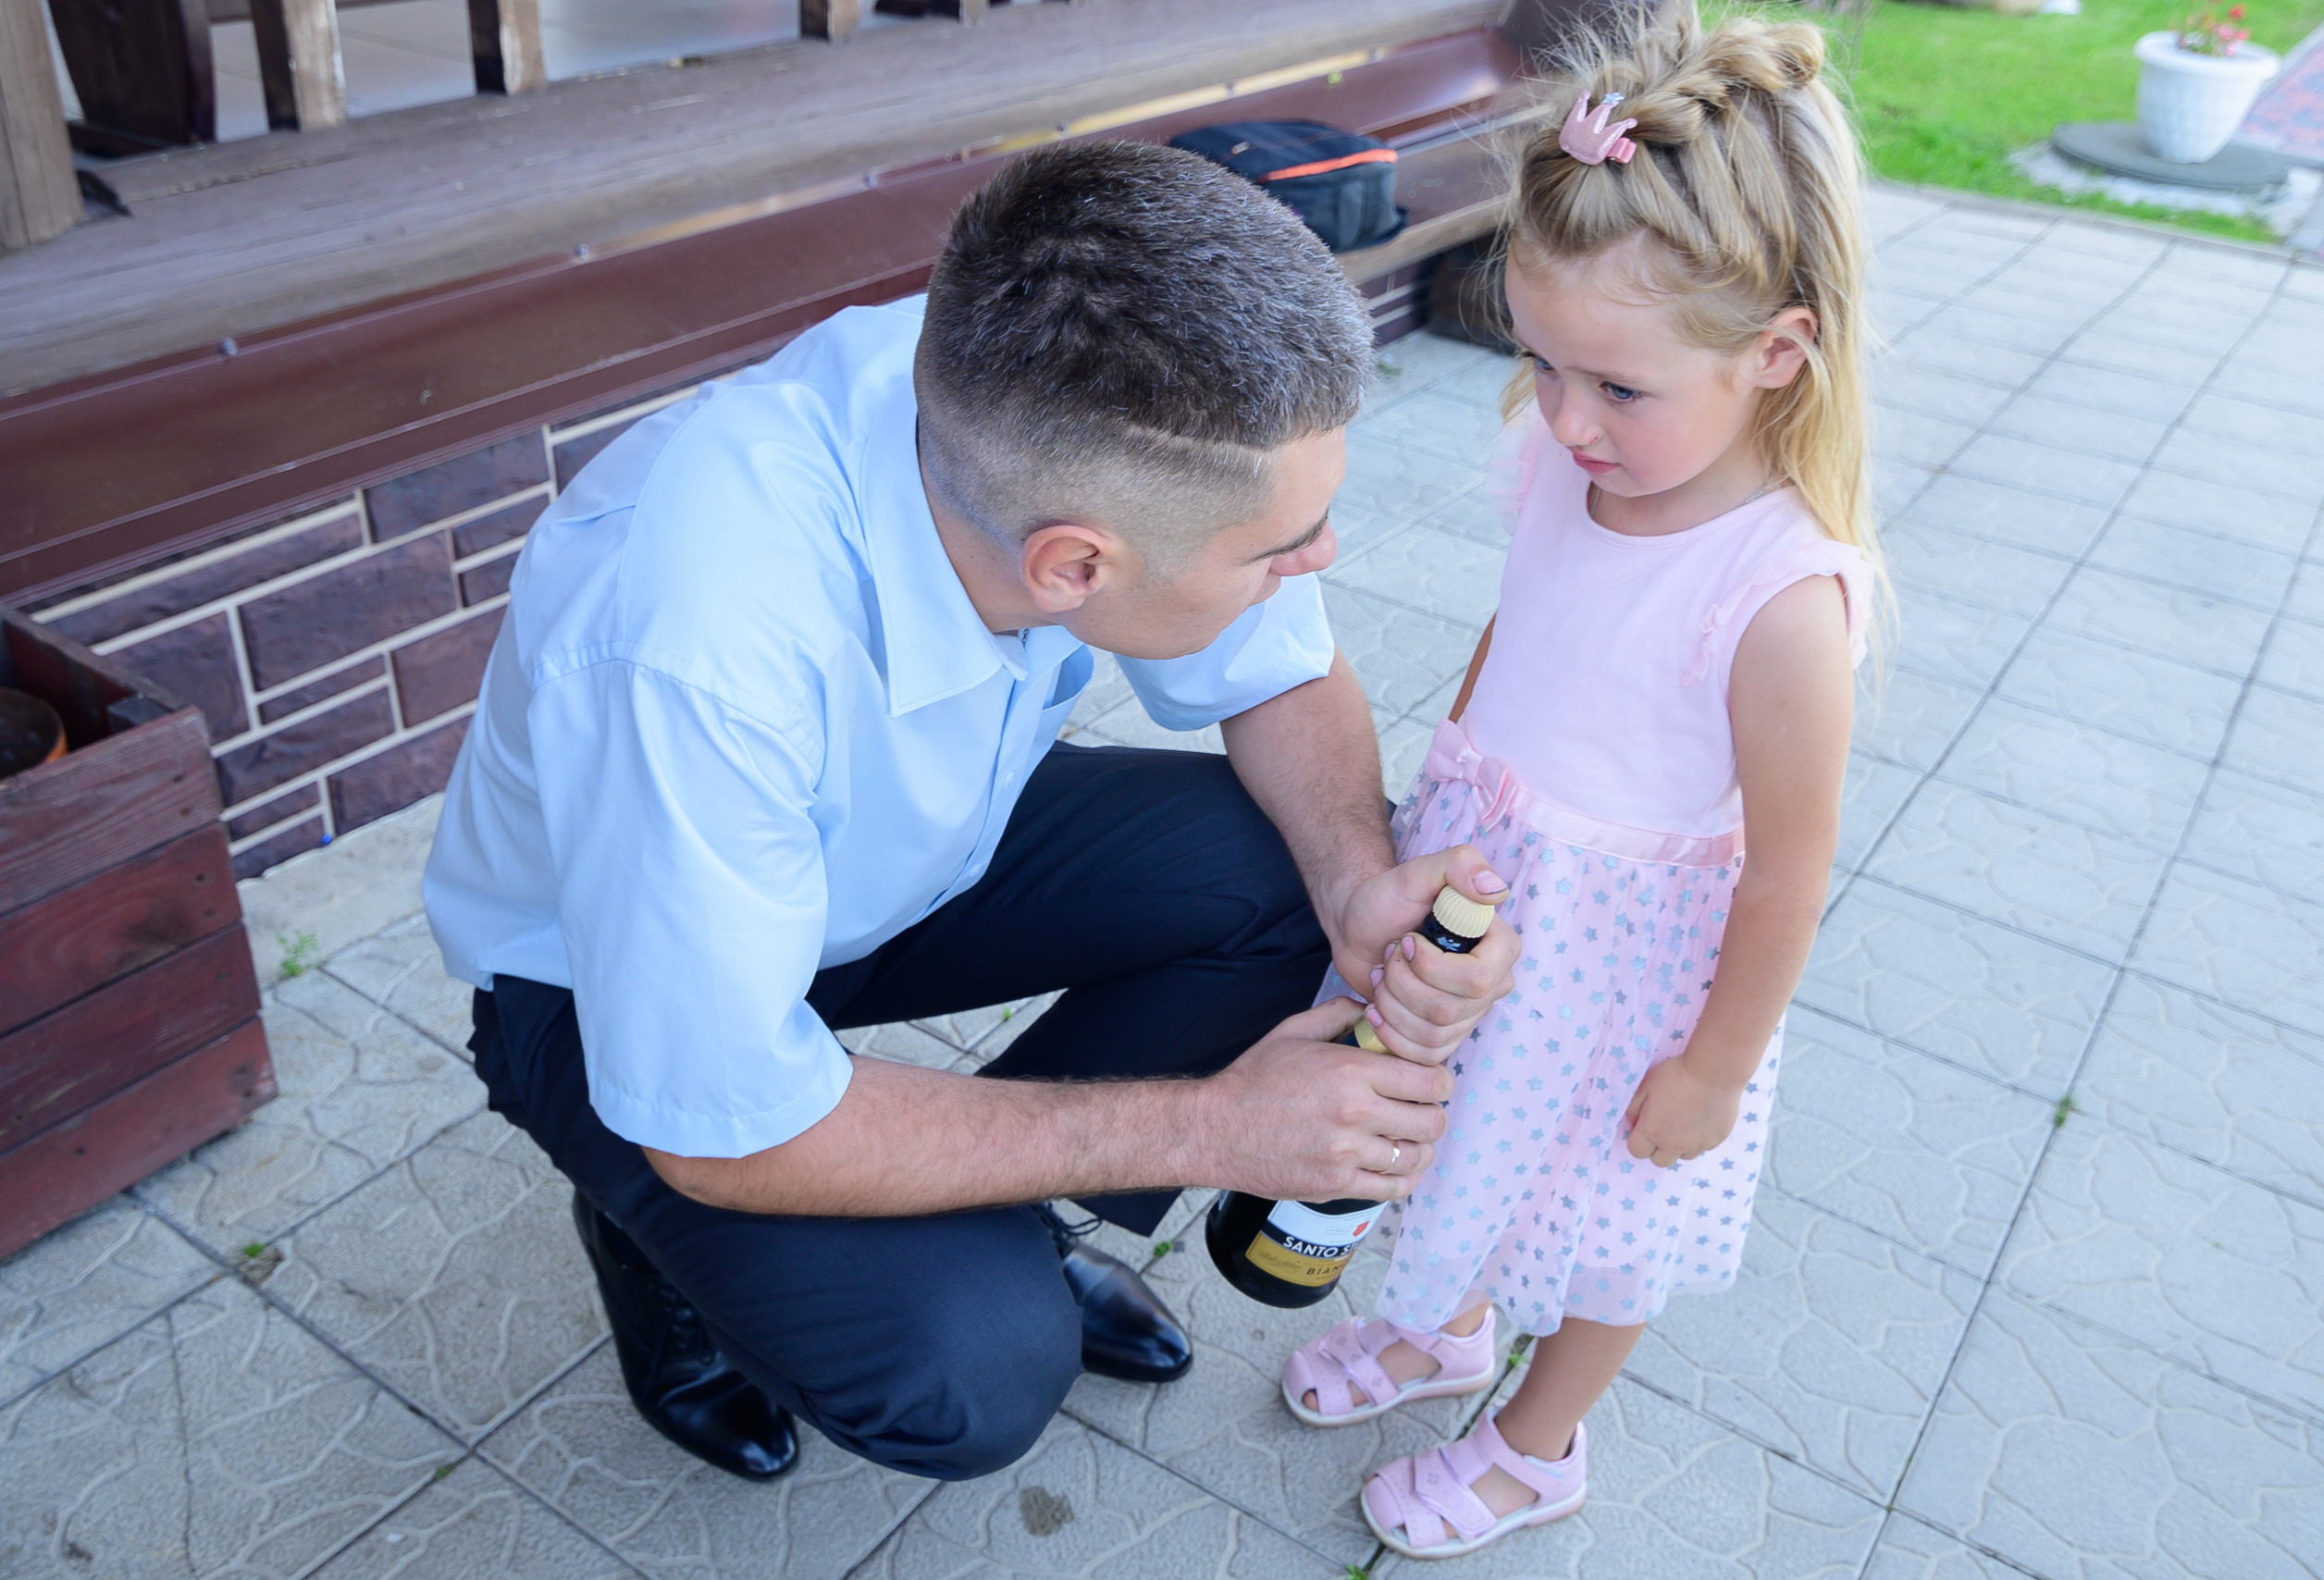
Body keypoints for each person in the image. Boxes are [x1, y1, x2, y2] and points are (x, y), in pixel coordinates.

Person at [424, 141, 1519, 1487]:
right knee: (969, 1366)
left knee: (1293, 863)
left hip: (881, 865)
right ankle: (657, 1241)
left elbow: (1283, 672)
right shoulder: (695, 648)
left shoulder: (1029, 383)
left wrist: (1356, 885)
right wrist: (1214, 1126)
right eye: (1280, 548)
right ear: (1074, 566)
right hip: (597, 983)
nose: (1320, 558)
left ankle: (986, 1207)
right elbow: (725, 1121)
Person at [1273, 3, 1885, 1557]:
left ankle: (1537, 1441)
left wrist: (1716, 1068)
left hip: (1634, 977)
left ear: (1776, 354)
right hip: (1494, 887)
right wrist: (1441, 791)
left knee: (1608, 1211)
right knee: (1456, 1129)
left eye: (1617, 386)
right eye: (1542, 364)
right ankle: (1442, 1323)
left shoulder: (1781, 598)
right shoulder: (1572, 463)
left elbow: (1789, 870)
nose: (1564, 417)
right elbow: (1518, 625)